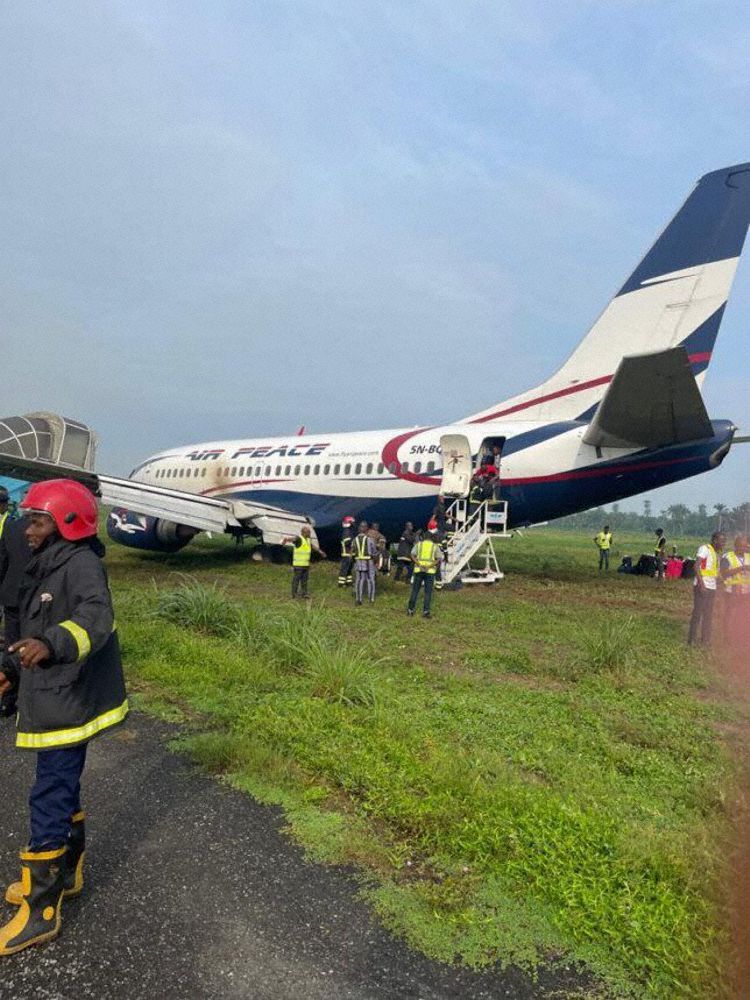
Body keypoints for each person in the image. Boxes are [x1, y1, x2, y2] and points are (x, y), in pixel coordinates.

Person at [0, 479, 128, 955]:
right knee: (62, 784)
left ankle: (41, 911)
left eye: (36, 521)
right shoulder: (48, 562)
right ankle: (69, 872)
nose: (25, 529)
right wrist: (14, 665)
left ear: (66, 525)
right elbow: (36, 624)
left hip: (68, 700)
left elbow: (97, 617)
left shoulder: (82, 565)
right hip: (52, 690)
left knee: (49, 793)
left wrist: (51, 645)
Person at [0, 515, 33, 717]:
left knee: (12, 645)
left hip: (12, 594)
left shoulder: (11, 526)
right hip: (36, 595)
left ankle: (7, 700)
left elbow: (2, 560)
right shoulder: (48, 529)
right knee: (36, 645)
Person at [687, 531, 725, 646]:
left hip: (712, 587)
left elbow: (714, 571)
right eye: (722, 541)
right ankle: (692, 639)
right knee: (698, 613)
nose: (723, 543)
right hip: (702, 586)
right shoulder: (705, 549)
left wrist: (722, 581)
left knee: (708, 614)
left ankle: (705, 640)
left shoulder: (716, 553)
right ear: (714, 540)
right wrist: (702, 585)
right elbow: (696, 566)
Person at [407, 523, 443, 619]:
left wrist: (419, 564)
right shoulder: (435, 546)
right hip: (430, 571)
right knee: (428, 592)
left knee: (415, 590)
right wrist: (429, 566)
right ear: (431, 537)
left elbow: (412, 555)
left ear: (423, 537)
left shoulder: (419, 545)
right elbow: (439, 559)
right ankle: (426, 612)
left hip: (419, 570)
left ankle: (410, 610)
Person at [281, 525, 326, 599]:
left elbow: (312, 546)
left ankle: (304, 594)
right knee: (296, 579)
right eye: (308, 533)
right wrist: (286, 539)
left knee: (304, 580)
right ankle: (294, 594)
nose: (310, 534)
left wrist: (320, 552)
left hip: (306, 564)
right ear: (304, 533)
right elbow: (293, 539)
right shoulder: (299, 539)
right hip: (298, 564)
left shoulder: (307, 540)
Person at [721, 535, 750, 640]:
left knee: (743, 614)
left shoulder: (748, 556)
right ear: (735, 546)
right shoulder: (727, 557)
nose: (743, 549)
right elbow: (724, 574)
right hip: (732, 590)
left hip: (746, 591)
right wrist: (741, 568)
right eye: (741, 546)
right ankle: (727, 637)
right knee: (730, 613)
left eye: (745, 546)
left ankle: (740, 636)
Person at [352, 521, 377, 605]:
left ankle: (358, 599)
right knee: (371, 580)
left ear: (359, 529)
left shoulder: (354, 540)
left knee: (359, 580)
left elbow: (352, 551)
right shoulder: (369, 540)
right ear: (366, 529)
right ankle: (371, 599)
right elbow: (374, 552)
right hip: (369, 562)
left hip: (359, 562)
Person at [338, 516, 355, 587]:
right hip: (347, 553)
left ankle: (349, 582)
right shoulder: (347, 531)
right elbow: (347, 542)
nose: (354, 524)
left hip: (348, 553)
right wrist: (354, 544)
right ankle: (341, 584)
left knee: (349, 569)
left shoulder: (348, 531)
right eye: (352, 522)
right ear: (349, 523)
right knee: (344, 568)